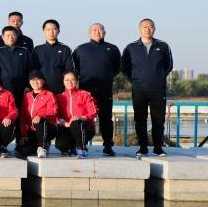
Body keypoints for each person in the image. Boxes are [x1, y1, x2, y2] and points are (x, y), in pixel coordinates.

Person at [122, 18, 173, 157]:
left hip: (158, 89)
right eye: (145, 27)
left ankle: (158, 147)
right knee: (140, 119)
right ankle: (143, 147)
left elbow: (168, 66)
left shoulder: (163, 46)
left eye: (151, 26)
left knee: (158, 119)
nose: (148, 29)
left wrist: (158, 78)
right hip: (139, 89)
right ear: (140, 29)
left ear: (154, 29)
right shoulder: (131, 47)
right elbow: (125, 68)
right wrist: (135, 80)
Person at [72, 23, 121, 156]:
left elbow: (117, 67)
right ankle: (82, 144)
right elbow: (74, 69)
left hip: (105, 89)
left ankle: (108, 145)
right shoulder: (80, 49)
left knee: (106, 118)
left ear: (105, 32)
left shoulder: (112, 48)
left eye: (100, 30)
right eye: (94, 30)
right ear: (89, 32)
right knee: (84, 118)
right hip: (86, 91)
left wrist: (107, 76)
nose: (97, 32)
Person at [55, 70, 98, 157]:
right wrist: (64, 123)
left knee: (75, 122)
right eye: (67, 80)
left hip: (85, 127)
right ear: (63, 81)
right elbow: (55, 115)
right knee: (61, 145)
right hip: (67, 127)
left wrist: (82, 117)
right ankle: (73, 147)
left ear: (77, 81)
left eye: (72, 79)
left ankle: (81, 148)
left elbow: (94, 111)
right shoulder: (60, 97)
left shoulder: (85, 95)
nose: (69, 82)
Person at [19, 71, 58, 158]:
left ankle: (42, 147)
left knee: (40, 122)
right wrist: (24, 134)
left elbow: (53, 112)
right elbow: (23, 116)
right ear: (29, 82)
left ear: (43, 81)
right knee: (24, 151)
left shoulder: (49, 95)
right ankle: (39, 144)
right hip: (32, 130)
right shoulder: (27, 96)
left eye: (38, 79)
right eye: (32, 79)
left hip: (47, 128)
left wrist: (41, 116)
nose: (35, 82)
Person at [0, 26, 32, 109]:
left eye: (13, 35)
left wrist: (28, 86)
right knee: (6, 109)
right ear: (3, 37)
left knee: (21, 109)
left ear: (16, 36)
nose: (11, 37)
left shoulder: (24, 51)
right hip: (4, 86)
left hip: (22, 87)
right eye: (7, 35)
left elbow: (29, 70)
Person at [33, 19, 72, 94]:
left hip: (61, 89)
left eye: (54, 29)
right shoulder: (37, 49)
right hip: (41, 89)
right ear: (44, 31)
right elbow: (33, 71)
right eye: (48, 29)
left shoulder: (65, 49)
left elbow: (69, 70)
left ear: (58, 31)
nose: (51, 32)